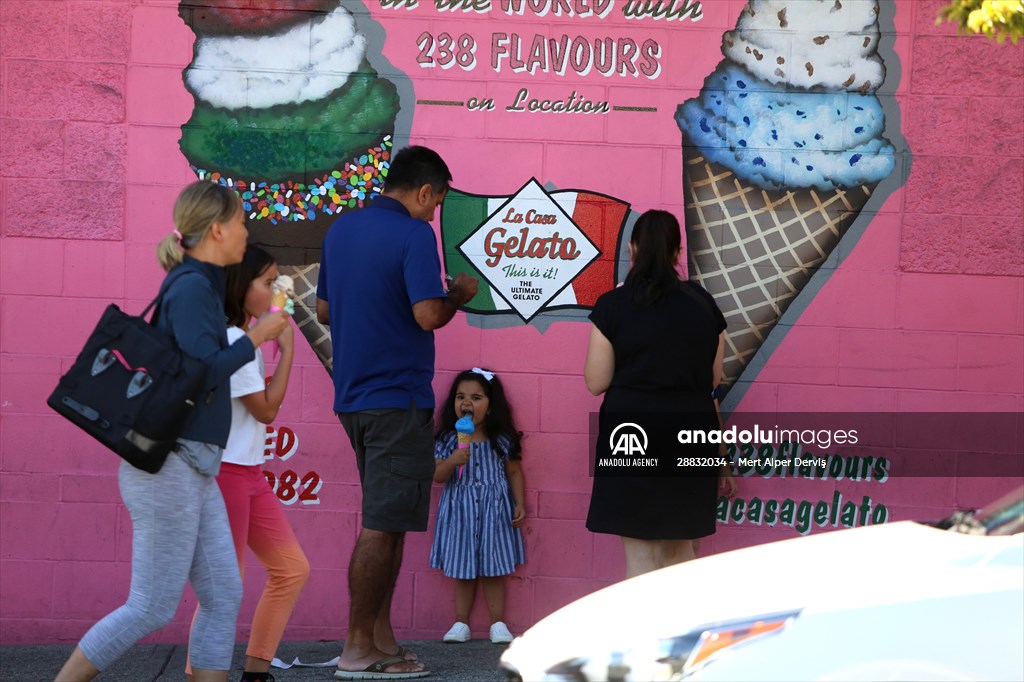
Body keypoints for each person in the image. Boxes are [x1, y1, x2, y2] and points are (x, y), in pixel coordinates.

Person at [55, 181, 290, 682]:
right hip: (170, 468)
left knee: (224, 593)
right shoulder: (191, 289)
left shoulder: (198, 285)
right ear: (219, 229)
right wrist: (256, 338)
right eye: (243, 221)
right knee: (151, 606)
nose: (248, 231)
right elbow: (203, 371)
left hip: (191, 468)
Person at [315, 145, 478, 679]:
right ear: (425, 190)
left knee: (392, 522)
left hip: (355, 398)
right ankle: (358, 649)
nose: (434, 214)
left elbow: (322, 309)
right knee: (382, 526)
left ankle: (381, 642)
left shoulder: (342, 230)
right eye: (437, 203)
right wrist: (457, 294)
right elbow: (428, 315)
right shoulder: (414, 234)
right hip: (397, 398)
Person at [583, 209, 737, 580]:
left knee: (640, 555)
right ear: (676, 252)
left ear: (633, 249)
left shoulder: (612, 306)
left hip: (632, 433)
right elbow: (712, 379)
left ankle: (644, 638)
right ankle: (680, 637)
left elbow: (596, 381)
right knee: (682, 552)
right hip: (691, 432)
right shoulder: (703, 305)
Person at [185, 245, 310, 682]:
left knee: (291, 569)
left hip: (250, 473)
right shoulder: (236, 340)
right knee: (224, 587)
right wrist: (289, 349)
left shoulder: (245, 340)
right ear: (240, 288)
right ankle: (198, 673)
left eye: (278, 280)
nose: (276, 289)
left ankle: (256, 670)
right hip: (228, 476)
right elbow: (266, 411)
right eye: (266, 281)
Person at [430, 368, 526, 645]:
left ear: (491, 405)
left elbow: (514, 472)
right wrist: (452, 461)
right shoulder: (448, 440)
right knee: (463, 569)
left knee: (494, 569)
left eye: (476, 397)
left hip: (495, 512)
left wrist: (520, 503)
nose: (467, 403)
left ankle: (498, 623)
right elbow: (437, 475)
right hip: (460, 514)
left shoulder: (501, 440)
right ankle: (461, 623)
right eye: (461, 397)